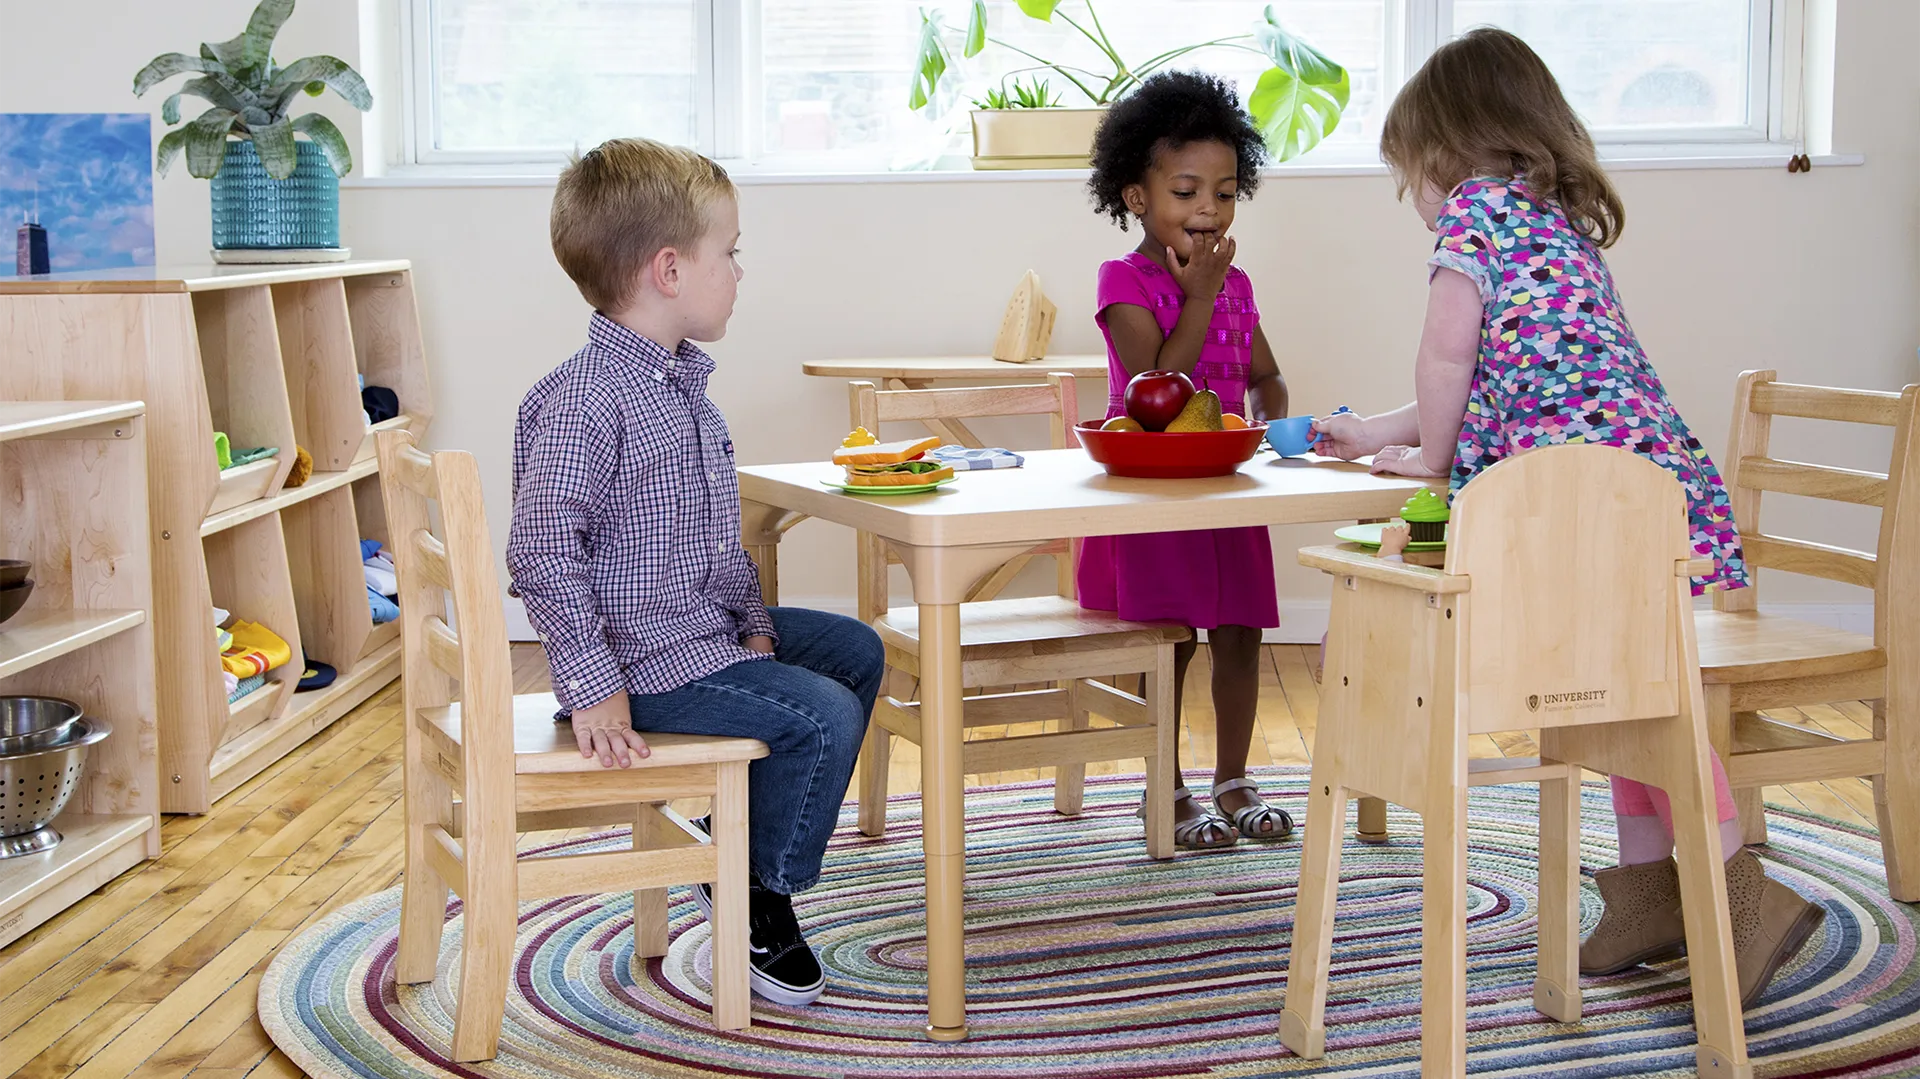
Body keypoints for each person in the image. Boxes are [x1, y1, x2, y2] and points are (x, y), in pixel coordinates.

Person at [1311, 29, 1824, 1007]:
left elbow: (1449, 356)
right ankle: (1644, 894)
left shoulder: (1472, 211)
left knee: (1643, 697)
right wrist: (1374, 427)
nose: (1416, 201)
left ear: (1446, 150)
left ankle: (1738, 894)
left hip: (1551, 496)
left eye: (1409, 176)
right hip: (1635, 487)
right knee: (1622, 679)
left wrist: (1423, 458)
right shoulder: (1556, 224)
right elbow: (1506, 367)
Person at [506, 137, 884, 1007]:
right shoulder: (583, 400)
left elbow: (716, 538)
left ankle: (738, 840)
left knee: (854, 652)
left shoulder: (684, 393)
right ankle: (756, 892)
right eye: (732, 251)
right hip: (640, 664)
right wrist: (594, 686)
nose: (741, 271)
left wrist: (752, 619)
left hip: (704, 636)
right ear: (670, 269)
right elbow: (541, 552)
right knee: (820, 716)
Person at [1080, 71, 1293, 850]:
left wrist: (1269, 408)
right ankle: (1161, 785)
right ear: (1137, 196)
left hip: (1228, 487)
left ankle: (1233, 778)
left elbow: (1264, 373)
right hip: (1156, 494)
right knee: (1171, 638)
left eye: (1226, 193)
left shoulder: (1235, 285)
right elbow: (1155, 387)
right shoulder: (1124, 282)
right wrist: (1198, 297)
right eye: (1186, 190)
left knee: (1241, 632)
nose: (1209, 209)